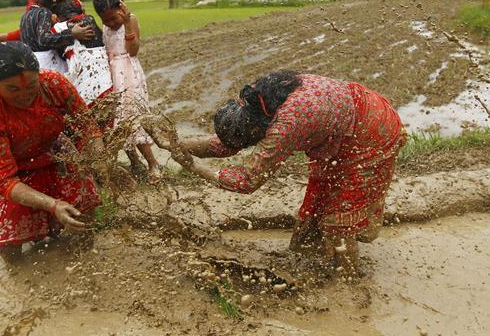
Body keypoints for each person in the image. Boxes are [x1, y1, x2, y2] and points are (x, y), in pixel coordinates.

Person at [151, 71, 406, 275]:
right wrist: (174, 145)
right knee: (319, 204)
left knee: (340, 218)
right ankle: (321, 262)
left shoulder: (286, 125)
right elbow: (223, 145)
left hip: (369, 131)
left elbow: (249, 181)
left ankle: (349, 286)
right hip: (342, 126)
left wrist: (194, 167)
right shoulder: (259, 101)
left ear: (257, 131)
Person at [0, 41, 106, 262]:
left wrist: (100, 159)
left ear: (39, 75)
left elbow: (88, 126)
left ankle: (85, 258)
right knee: (11, 226)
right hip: (8, 170)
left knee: (83, 193)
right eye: (13, 89)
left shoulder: (54, 84)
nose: (24, 95)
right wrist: (52, 204)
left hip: (50, 151)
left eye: (31, 84)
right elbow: (3, 180)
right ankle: (20, 275)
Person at [93, 0, 161, 183]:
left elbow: (133, 51)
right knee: (118, 123)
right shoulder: (105, 25)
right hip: (112, 75)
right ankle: (135, 162)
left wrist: (126, 24)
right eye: (106, 21)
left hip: (128, 74)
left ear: (121, 8)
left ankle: (153, 163)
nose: (111, 24)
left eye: (114, 18)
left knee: (133, 120)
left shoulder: (130, 20)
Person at [20, 0, 93, 73]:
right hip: (47, 65)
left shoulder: (26, 15)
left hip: (30, 63)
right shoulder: (44, 12)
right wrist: (72, 34)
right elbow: (43, 39)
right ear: (54, 2)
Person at [51, 0, 113, 105]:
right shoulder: (90, 19)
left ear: (58, 17)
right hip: (107, 82)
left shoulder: (60, 27)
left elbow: (47, 39)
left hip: (86, 88)